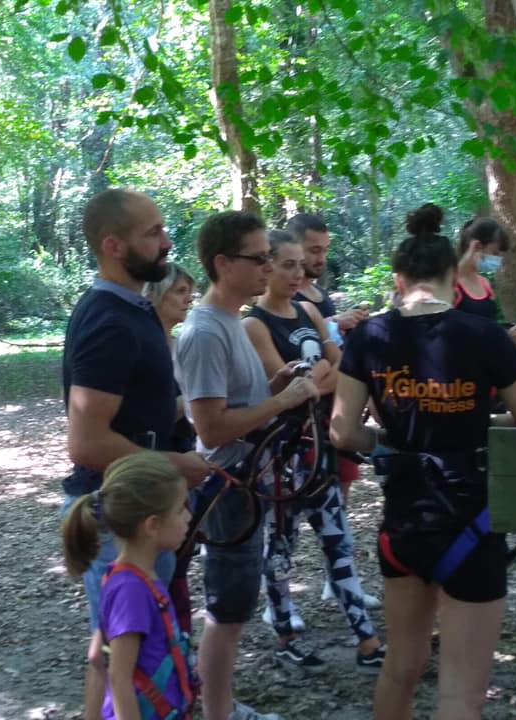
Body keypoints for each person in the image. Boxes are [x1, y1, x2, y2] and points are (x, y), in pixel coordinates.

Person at [330, 232, 516, 720]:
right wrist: (475, 424)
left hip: (403, 521)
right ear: (453, 278)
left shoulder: (368, 336)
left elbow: (342, 431)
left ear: (398, 280)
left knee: (400, 668)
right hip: (471, 520)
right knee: (462, 694)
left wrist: (392, 443)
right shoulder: (485, 335)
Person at [61, 189, 210, 719]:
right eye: (153, 233)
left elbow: (145, 407)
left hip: (146, 504)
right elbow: (87, 441)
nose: (167, 242)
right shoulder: (108, 321)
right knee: (119, 659)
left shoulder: (135, 311)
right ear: (113, 245)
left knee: (133, 649)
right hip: (118, 515)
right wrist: (178, 467)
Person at [175, 210, 319, 720]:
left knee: (236, 601)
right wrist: (282, 402)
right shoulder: (206, 333)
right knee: (228, 606)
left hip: (245, 481)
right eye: (257, 259)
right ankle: (217, 712)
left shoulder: (231, 322)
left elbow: (237, 403)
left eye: (267, 259)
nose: (267, 268)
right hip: (225, 484)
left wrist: (276, 387)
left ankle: (218, 705)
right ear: (222, 263)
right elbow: (211, 427)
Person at [243, 229, 386, 673]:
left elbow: (340, 367)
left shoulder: (307, 309)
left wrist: (318, 375)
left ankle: (366, 640)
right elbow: (289, 384)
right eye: (286, 265)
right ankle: (285, 634)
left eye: (300, 265)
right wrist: (322, 373)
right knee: (281, 545)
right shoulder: (254, 323)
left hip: (318, 445)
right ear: (267, 267)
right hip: (278, 453)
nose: (296, 273)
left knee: (337, 540)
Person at [62, 452, 197, 720]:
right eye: (181, 509)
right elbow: (119, 677)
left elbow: (96, 655)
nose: (189, 517)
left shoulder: (127, 577)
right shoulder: (132, 591)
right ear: (152, 525)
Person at [144, 263, 198, 635]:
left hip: (186, 462)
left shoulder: (180, 345)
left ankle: (180, 658)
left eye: (189, 291)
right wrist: (192, 402)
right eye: (180, 291)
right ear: (155, 294)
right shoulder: (145, 346)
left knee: (180, 559)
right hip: (155, 466)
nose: (188, 299)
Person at [454, 216, 510, 322]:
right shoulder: (450, 284)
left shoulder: (485, 283)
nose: (498, 259)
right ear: (477, 246)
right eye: (495, 253)